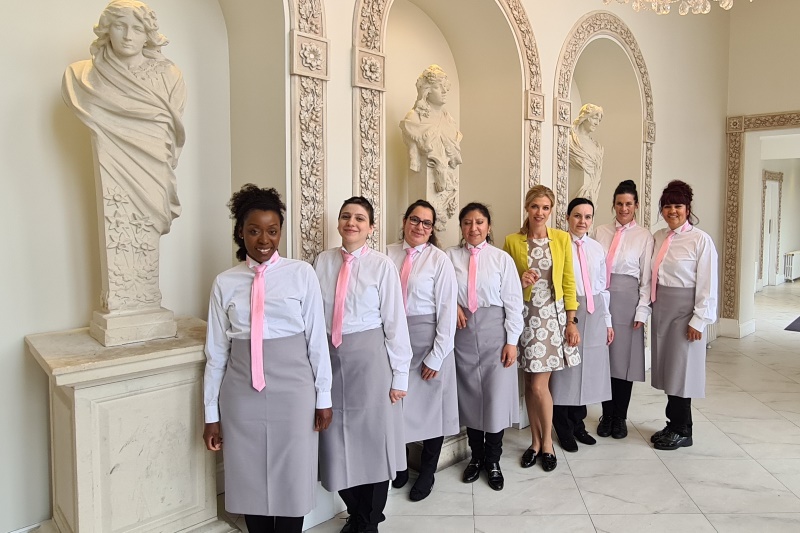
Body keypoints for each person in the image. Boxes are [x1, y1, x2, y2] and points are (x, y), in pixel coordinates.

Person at [203, 184, 332, 533]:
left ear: (280, 233)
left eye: (272, 231)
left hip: (294, 392)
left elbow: (316, 341)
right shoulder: (224, 283)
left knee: (293, 475)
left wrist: (323, 398)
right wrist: (211, 415)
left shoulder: (301, 274)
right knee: (249, 479)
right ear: (240, 232)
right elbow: (216, 353)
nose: (264, 239)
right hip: (241, 394)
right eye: (254, 230)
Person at [314, 197, 413, 532]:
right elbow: (314, 318)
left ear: (370, 227)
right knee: (335, 441)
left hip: (371, 360)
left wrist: (400, 374)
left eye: (359, 218)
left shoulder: (382, 266)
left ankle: (367, 521)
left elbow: (395, 322)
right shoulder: (322, 262)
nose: (351, 222)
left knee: (373, 441)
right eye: (345, 216)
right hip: (331, 360)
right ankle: (358, 512)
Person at [63, 0, 186, 236]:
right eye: (120, 26)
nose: (128, 36)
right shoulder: (82, 77)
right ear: (107, 29)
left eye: (137, 29)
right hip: (111, 169)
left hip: (154, 170)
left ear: (148, 34)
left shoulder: (170, 76)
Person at [503, 186, 580, 473]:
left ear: (551, 211)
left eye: (545, 208)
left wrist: (571, 321)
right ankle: (534, 442)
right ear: (527, 207)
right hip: (522, 318)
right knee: (529, 385)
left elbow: (569, 281)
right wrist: (519, 280)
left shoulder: (560, 239)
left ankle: (547, 442)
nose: (540, 212)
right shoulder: (512, 241)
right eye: (535, 206)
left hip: (551, 318)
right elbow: (505, 284)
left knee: (539, 385)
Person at [446, 203, 522, 491]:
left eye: (479, 222)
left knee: (494, 398)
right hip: (462, 334)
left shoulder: (501, 259)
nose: (473, 228)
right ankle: (475, 458)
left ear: (489, 226)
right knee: (470, 398)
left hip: (495, 334)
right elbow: (438, 290)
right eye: (467, 222)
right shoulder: (449, 257)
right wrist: (452, 304)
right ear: (461, 227)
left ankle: (493, 460)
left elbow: (514, 303)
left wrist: (511, 342)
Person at [387, 200, 459, 502]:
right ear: (404, 221)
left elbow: (447, 310)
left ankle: (427, 472)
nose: (419, 227)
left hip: (428, 340)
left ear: (432, 230)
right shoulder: (386, 254)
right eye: (414, 220)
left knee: (431, 411)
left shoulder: (438, 260)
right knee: (397, 406)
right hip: (394, 338)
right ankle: (400, 466)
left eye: (426, 223)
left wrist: (437, 354)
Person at [650, 180, 718, 450]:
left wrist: (698, 320)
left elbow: (707, 283)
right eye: (667, 206)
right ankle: (674, 423)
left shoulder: (700, 240)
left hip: (685, 311)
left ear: (688, 208)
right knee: (669, 369)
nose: (672, 211)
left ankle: (683, 430)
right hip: (663, 308)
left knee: (682, 370)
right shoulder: (658, 237)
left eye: (678, 206)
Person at [550, 198, 613, 453]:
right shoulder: (558, 244)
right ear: (567, 217)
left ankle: (578, 425)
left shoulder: (597, 248)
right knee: (566, 369)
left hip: (594, 309)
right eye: (577, 216)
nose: (582, 221)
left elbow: (602, 286)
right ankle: (562, 427)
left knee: (587, 368)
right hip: (569, 309)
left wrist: (607, 320)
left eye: (587, 217)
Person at [594, 180, 654, 439]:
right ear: (613, 205)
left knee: (624, 362)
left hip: (628, 301)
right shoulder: (600, 231)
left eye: (628, 203)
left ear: (636, 206)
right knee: (604, 360)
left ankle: (620, 417)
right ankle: (606, 414)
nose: (623, 208)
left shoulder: (644, 236)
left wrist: (642, 310)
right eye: (619, 203)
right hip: (602, 299)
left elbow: (647, 277)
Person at [399, 65, 463, 230]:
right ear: (427, 90)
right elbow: (412, 131)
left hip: (446, 185)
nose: (444, 91)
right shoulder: (414, 119)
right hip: (425, 179)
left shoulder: (449, 120)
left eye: (445, 87)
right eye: (438, 87)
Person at [569, 104, 604, 203]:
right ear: (585, 117)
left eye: (599, 120)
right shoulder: (571, 141)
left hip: (591, 197)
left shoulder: (597, 147)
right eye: (594, 118)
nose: (597, 123)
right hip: (573, 196)